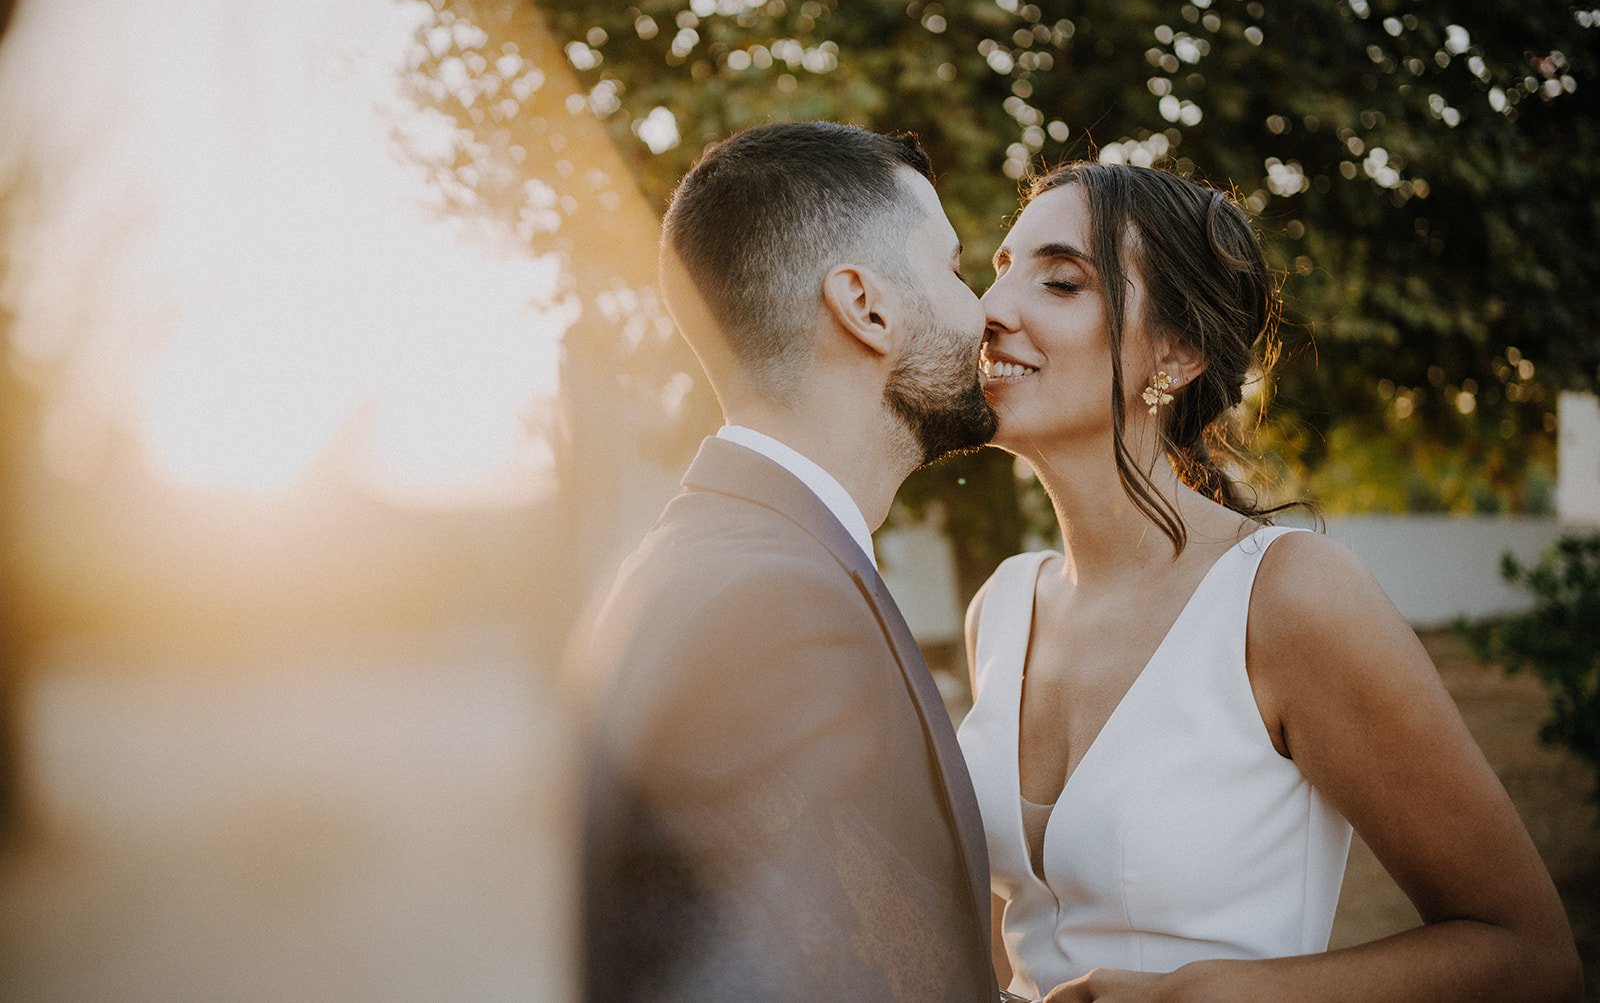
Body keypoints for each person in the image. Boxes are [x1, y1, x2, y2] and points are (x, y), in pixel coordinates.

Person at [957, 160, 1583, 1002]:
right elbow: (1015, 928)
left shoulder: (1286, 598)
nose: (990, 311)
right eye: (998, 272)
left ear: (1175, 354)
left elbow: (1531, 958)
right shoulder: (1001, 606)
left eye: (1061, 282)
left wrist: (1206, 995)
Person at [578, 122, 1006, 1002]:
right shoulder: (775, 604)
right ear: (866, 305)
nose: (986, 314)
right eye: (958, 270)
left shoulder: (732, 556)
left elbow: (848, 941)